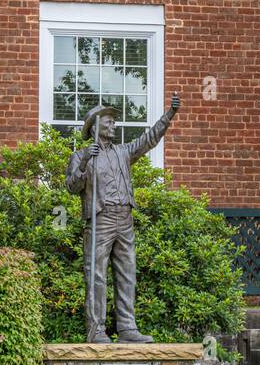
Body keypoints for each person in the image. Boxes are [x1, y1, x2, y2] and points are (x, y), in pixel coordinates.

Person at [66, 94, 180, 343]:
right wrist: (86, 161)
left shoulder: (123, 152)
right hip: (101, 219)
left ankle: (127, 328)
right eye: (109, 122)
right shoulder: (81, 156)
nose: (114, 126)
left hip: (124, 218)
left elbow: (148, 140)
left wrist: (168, 115)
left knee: (127, 274)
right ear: (95, 127)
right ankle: (96, 329)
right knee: (96, 276)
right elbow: (72, 186)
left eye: (113, 122)